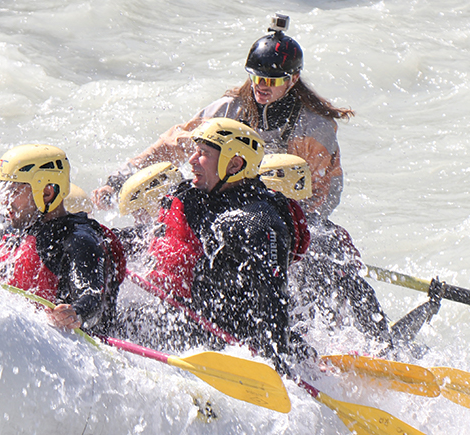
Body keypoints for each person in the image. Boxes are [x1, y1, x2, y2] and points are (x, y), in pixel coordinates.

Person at [96, 14, 352, 221]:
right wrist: (117, 181)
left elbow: (325, 192)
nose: (261, 87)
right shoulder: (229, 111)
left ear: (293, 80)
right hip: (224, 201)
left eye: (270, 81)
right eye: (256, 78)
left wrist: (297, 229)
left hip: (283, 216)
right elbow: (170, 145)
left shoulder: (314, 129)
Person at [143, 118, 295, 362]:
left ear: (234, 164)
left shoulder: (259, 221)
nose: (192, 160)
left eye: (203, 153)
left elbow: (273, 299)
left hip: (240, 342)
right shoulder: (195, 196)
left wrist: (276, 361)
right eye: (195, 151)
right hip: (193, 321)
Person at [259, 154, 442, 354]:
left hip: (300, 325)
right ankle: (381, 340)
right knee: (352, 283)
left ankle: (382, 343)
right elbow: (354, 268)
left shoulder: (306, 231)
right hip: (311, 323)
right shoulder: (330, 231)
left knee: (350, 284)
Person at [0, 144, 124, 334]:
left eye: (14, 191)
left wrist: (75, 313)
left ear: (47, 192)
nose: (5, 201)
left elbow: (92, 296)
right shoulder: (20, 228)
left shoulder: (79, 240)